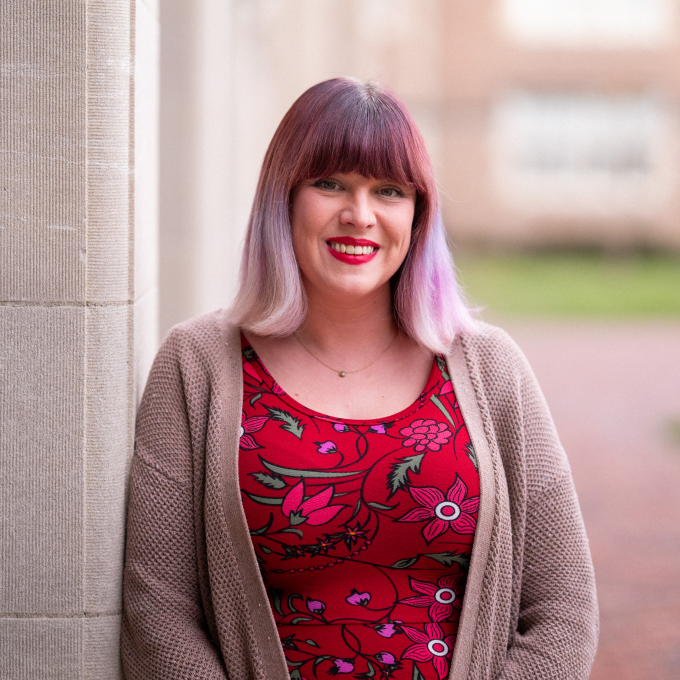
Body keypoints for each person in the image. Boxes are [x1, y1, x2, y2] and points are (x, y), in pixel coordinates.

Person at [121, 78, 598, 680]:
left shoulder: (489, 369)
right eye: (331, 184)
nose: (360, 215)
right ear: (283, 198)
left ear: (418, 215)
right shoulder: (197, 366)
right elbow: (158, 608)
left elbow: (563, 611)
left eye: (389, 191)